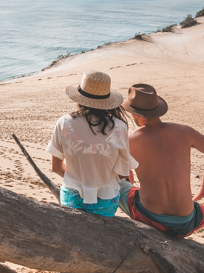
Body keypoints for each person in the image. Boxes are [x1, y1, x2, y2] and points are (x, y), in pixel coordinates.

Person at [118, 83, 204, 238]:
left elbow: (118, 171)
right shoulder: (184, 131)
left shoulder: (129, 139)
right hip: (185, 222)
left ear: (134, 114)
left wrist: (127, 174)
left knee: (116, 185)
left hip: (148, 218)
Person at [47, 70, 138, 217]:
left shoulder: (64, 123)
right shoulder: (120, 127)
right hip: (106, 203)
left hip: (72, 200)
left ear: (80, 98)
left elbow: (56, 167)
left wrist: (82, 184)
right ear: (107, 101)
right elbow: (122, 173)